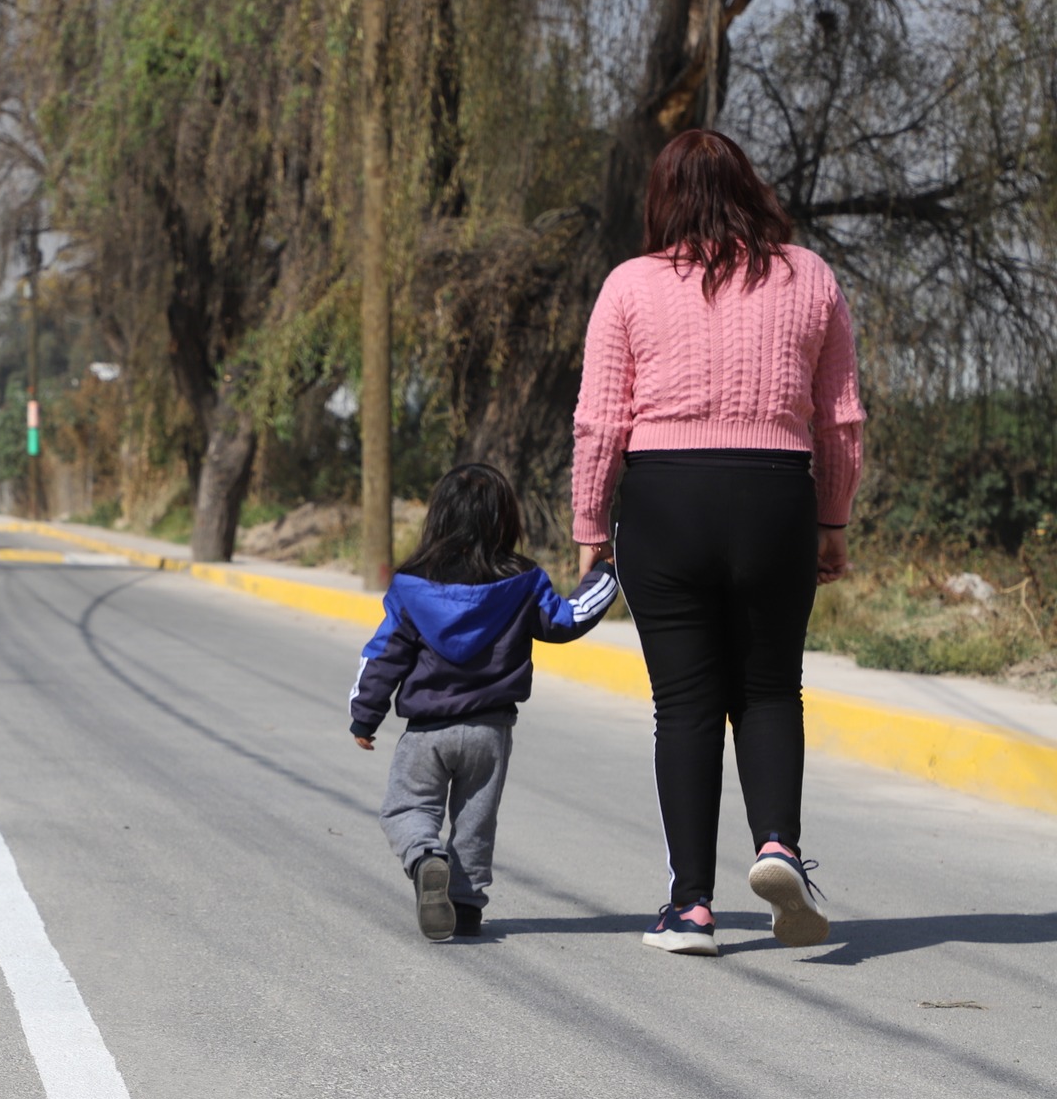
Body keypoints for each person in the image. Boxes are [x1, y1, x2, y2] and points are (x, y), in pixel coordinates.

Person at [572, 129, 865, 957]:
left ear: (663, 198)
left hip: (666, 501)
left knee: (686, 705)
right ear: (750, 188)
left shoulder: (629, 285)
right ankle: (778, 847)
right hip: (777, 495)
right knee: (772, 687)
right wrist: (832, 522)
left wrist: (590, 528)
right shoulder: (810, 276)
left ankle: (691, 908)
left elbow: (601, 420)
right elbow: (840, 418)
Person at [350, 464, 621, 941]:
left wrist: (364, 715)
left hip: (427, 731)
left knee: (406, 809)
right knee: (475, 823)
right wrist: (605, 574)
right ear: (504, 520)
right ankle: (467, 906)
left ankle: (425, 859)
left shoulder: (411, 585)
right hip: (490, 732)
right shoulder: (524, 580)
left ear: (438, 518)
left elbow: (383, 655)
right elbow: (566, 620)